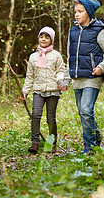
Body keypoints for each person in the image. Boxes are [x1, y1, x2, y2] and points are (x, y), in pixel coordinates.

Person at [66, 0, 104, 154]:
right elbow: (69, 56)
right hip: (77, 78)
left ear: (89, 12)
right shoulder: (72, 32)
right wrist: (65, 77)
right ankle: (96, 134)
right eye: (75, 11)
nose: (77, 14)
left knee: (87, 110)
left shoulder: (99, 31)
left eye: (80, 11)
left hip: (93, 77)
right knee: (82, 112)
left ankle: (90, 146)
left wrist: (101, 67)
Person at [22, 26, 68, 154]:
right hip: (38, 90)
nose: (43, 39)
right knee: (36, 115)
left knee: (50, 118)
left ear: (51, 40)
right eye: (41, 37)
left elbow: (60, 71)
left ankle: (52, 143)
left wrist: (61, 81)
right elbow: (29, 76)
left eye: (46, 37)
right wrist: (24, 92)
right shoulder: (33, 57)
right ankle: (35, 143)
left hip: (53, 91)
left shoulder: (56, 55)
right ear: (38, 38)